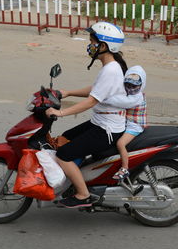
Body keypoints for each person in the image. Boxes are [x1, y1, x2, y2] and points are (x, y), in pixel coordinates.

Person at [45, 22, 142, 208]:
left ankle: (83, 194)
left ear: (103, 46)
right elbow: (97, 90)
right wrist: (69, 92)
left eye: (92, 42)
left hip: (106, 130)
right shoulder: (112, 66)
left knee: (64, 155)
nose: (89, 45)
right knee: (63, 139)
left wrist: (61, 112)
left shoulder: (111, 70)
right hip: (101, 123)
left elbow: (92, 101)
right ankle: (74, 179)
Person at [102, 66, 147, 180]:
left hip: (135, 126)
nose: (131, 88)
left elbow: (119, 102)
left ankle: (124, 168)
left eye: (134, 86)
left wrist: (101, 97)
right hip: (128, 122)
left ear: (142, 84)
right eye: (128, 85)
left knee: (120, 143)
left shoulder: (137, 97)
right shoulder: (131, 94)